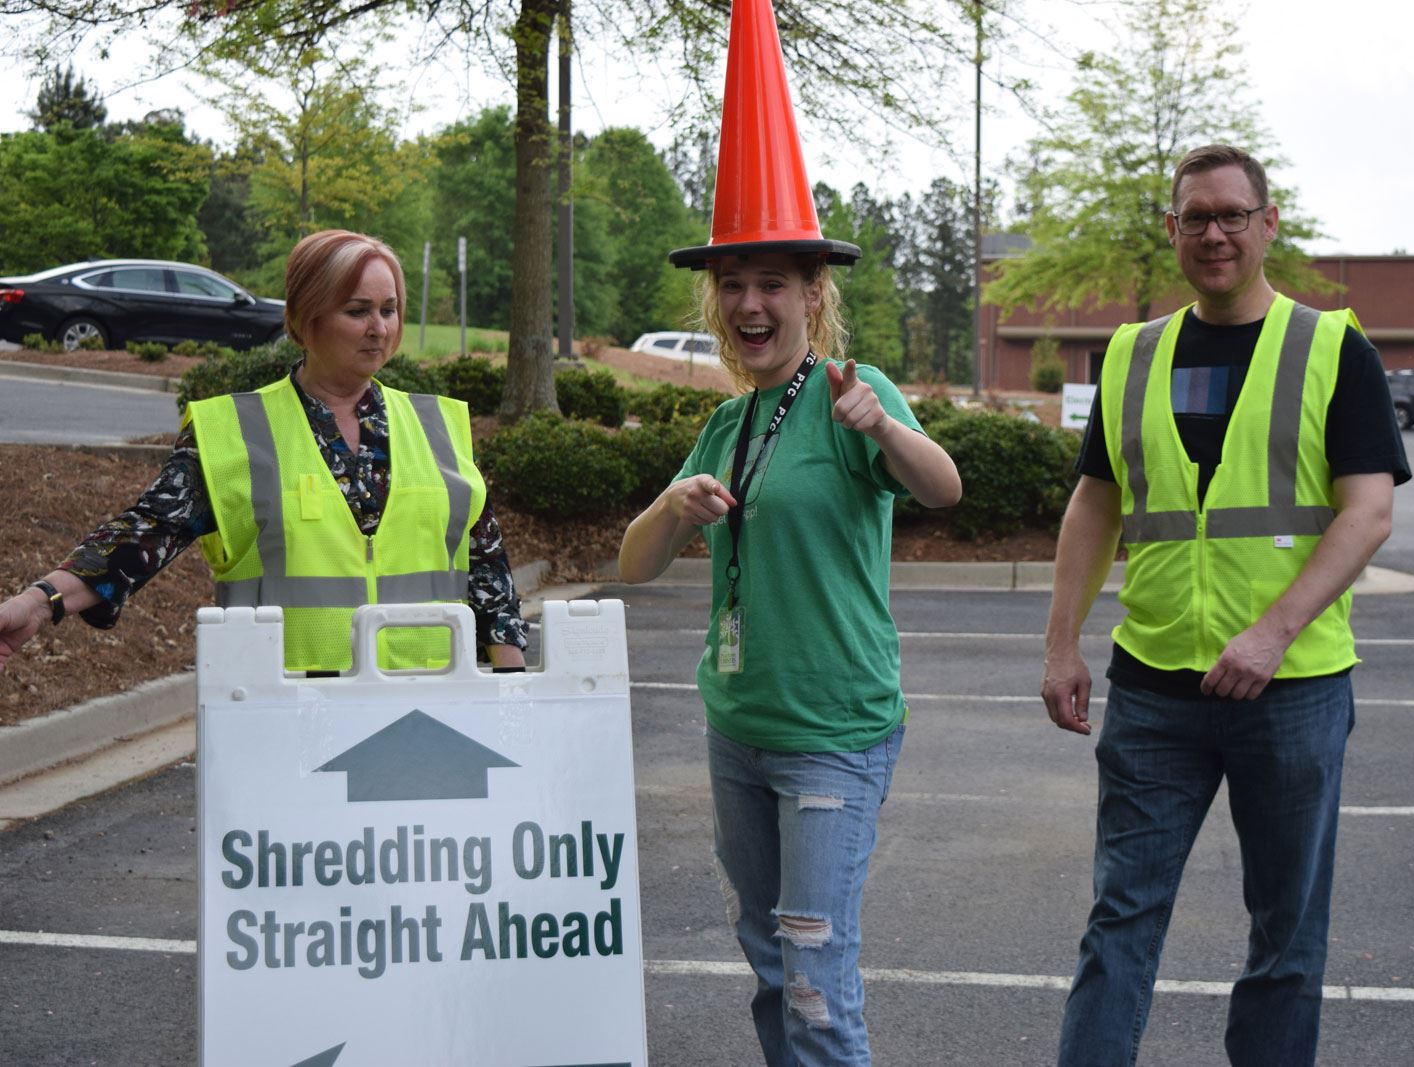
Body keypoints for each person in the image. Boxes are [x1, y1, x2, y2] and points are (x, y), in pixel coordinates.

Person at [1040, 144, 1410, 1066]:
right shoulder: (1133, 351)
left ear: (1267, 223)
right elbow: (1096, 500)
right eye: (1195, 217)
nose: (1214, 234)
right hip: (1156, 685)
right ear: (1172, 230)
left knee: (1286, 936)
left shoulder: (1333, 347)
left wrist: (1271, 634)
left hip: (1291, 687)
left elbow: (1368, 513)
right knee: (1118, 920)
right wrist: (1061, 644)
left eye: (1232, 215)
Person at [619, 248, 960, 1064]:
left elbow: (943, 487)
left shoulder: (847, 393)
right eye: (732, 286)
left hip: (832, 736)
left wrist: (881, 424)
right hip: (738, 728)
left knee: (813, 975)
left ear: (811, 294)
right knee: (772, 959)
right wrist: (672, 504)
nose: (750, 304)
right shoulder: (728, 424)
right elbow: (634, 565)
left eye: (771, 284)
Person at [0, 229, 526, 676]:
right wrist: (39, 602)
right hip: (285, 712)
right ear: (305, 318)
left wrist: (511, 694)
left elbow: (489, 576)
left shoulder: (437, 425)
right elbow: (144, 533)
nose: (380, 328)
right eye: (357, 310)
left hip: (431, 710)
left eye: (389, 309)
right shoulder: (235, 431)